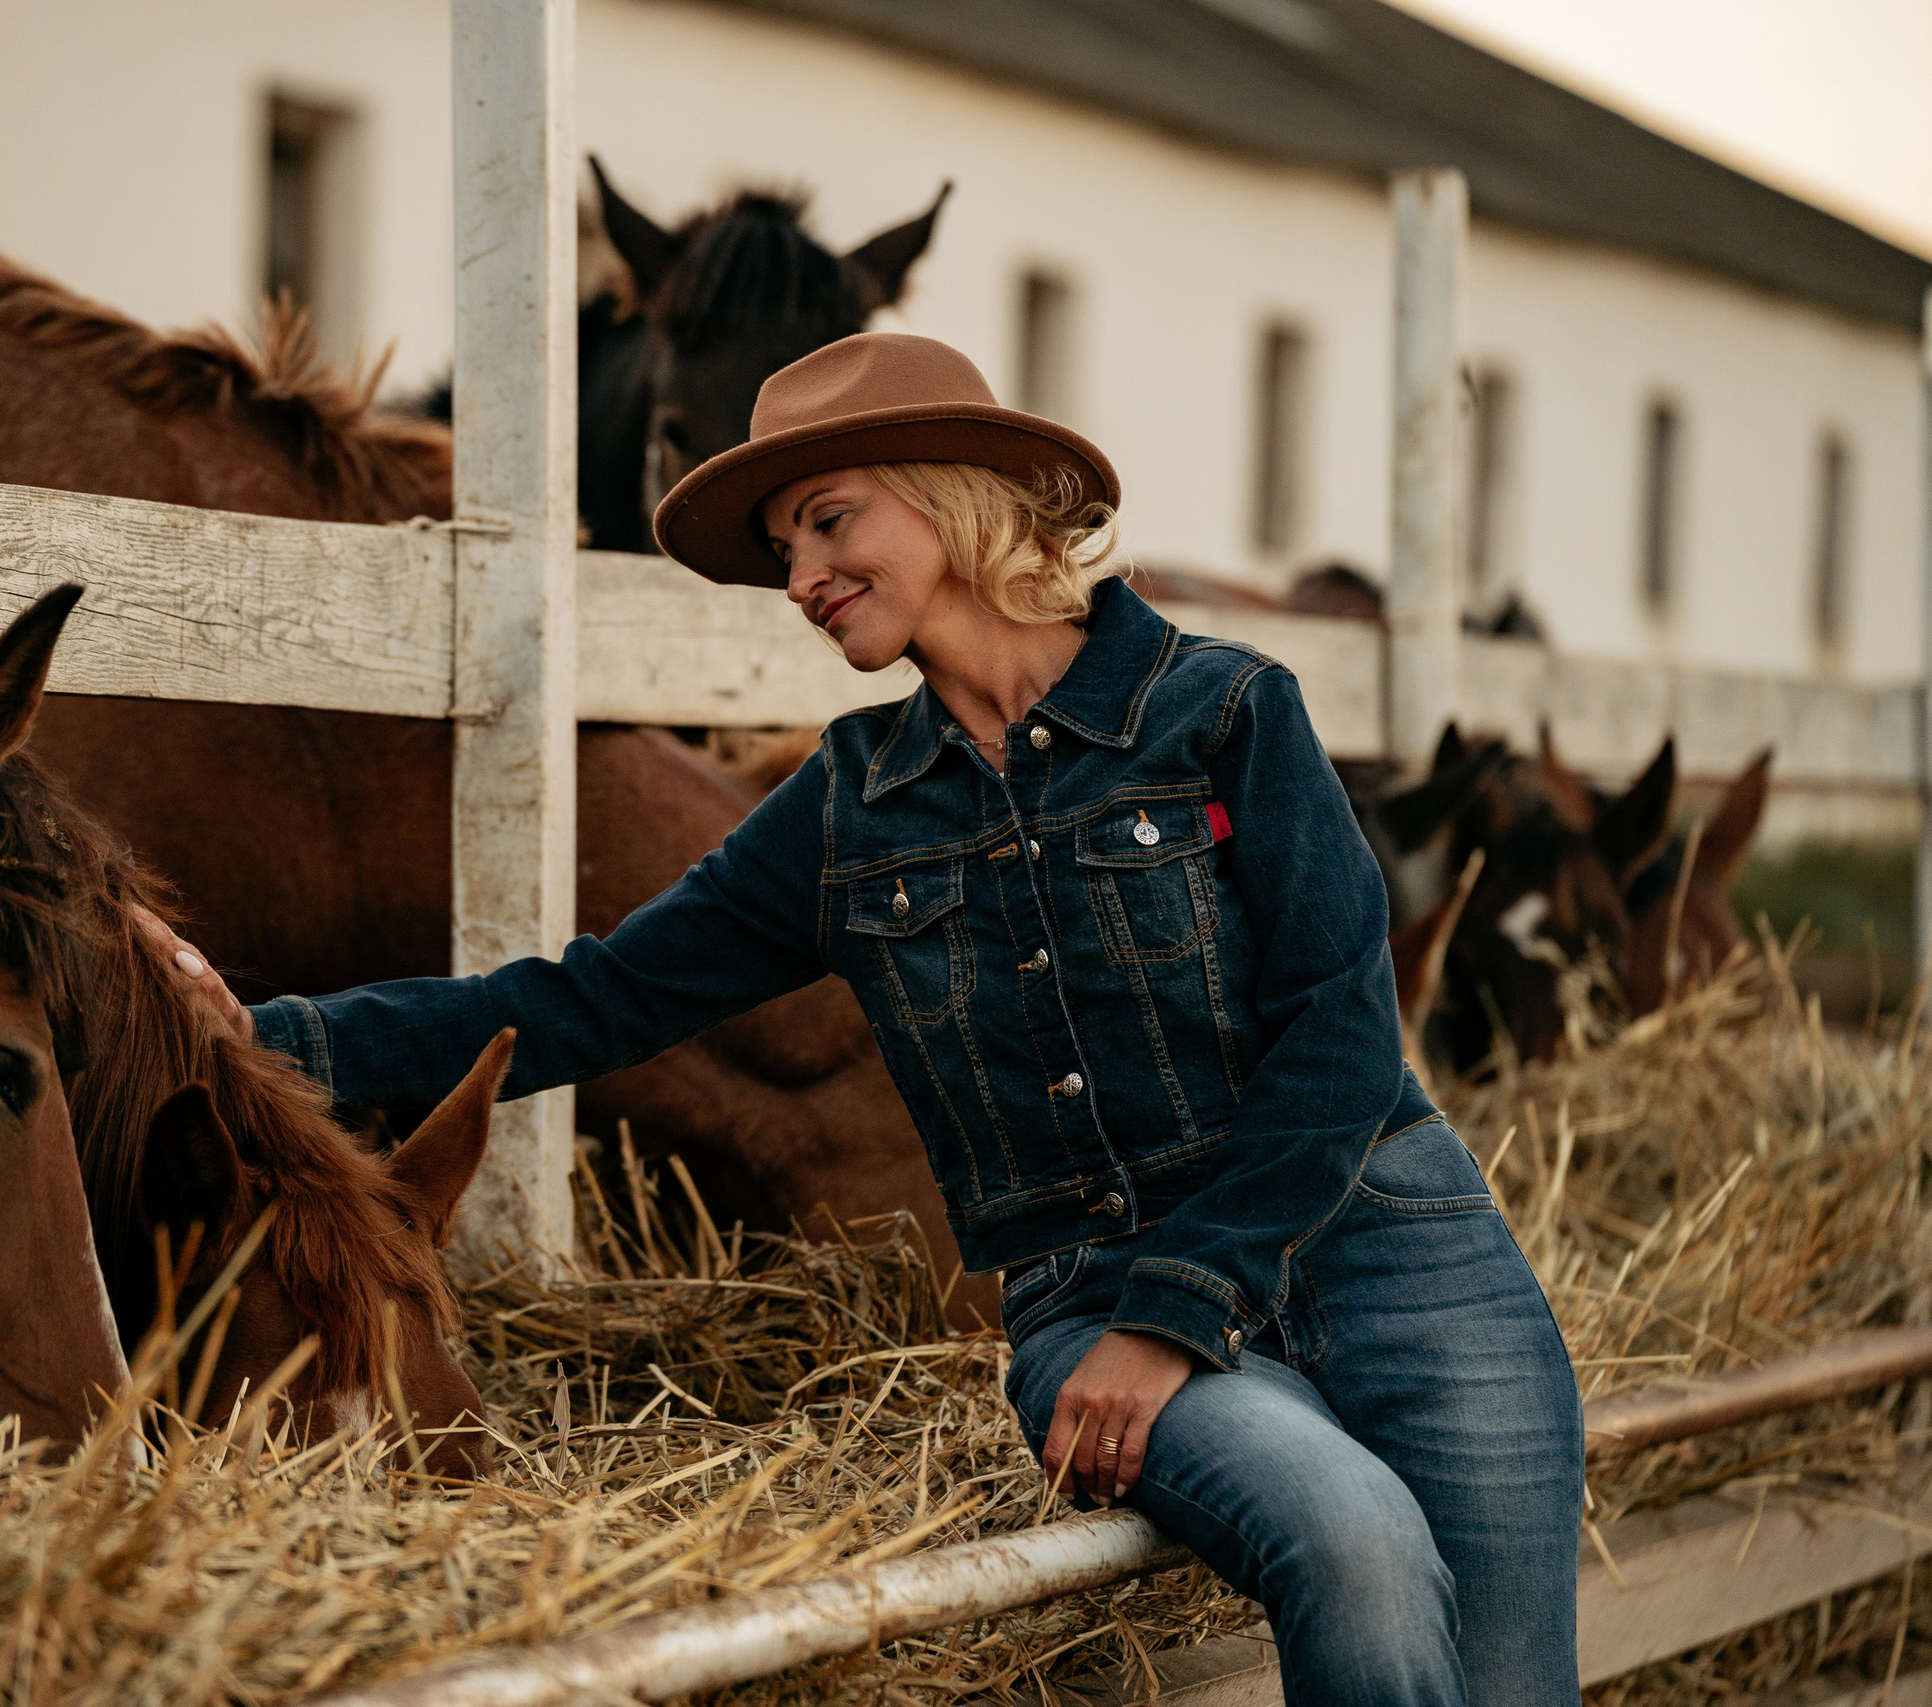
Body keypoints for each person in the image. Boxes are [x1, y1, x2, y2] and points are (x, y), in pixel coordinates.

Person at [190, 332, 1583, 1706]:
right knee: (1356, 1546)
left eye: (829, 521)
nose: (800, 580)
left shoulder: (1225, 713)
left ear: (951, 496)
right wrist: (262, 1038)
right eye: (783, 548)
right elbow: (593, 998)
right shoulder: (852, 812)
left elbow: (1342, 1035)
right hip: (1098, 1297)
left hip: (1395, 1250)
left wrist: (1191, 1302)